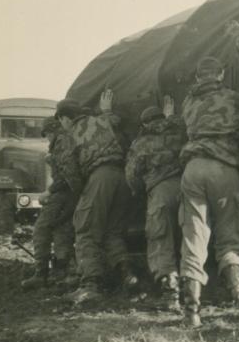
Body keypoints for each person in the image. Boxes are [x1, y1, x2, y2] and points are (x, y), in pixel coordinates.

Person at [179, 55, 239, 328]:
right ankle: (238, 292)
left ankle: (192, 311)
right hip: (223, 167)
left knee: (194, 236)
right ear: (220, 75)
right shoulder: (232, 96)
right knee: (228, 233)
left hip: (192, 168)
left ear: (197, 77)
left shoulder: (188, 102)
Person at [57, 92, 138, 304]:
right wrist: (106, 109)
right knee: (112, 232)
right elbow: (116, 123)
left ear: (65, 118)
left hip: (99, 178)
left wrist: (82, 193)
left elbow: (70, 169)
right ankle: (128, 276)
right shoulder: (102, 120)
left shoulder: (69, 134)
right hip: (122, 177)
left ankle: (90, 286)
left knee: (85, 230)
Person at [125, 98, 185, 312]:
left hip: (160, 192)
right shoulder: (180, 131)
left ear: (144, 124)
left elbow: (132, 176)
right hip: (189, 187)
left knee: (160, 239)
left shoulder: (142, 141)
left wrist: (141, 191)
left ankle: (170, 295)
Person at [21, 117, 80, 291]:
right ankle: (63, 276)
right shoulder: (68, 139)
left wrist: (49, 192)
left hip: (63, 193)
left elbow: (67, 174)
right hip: (72, 194)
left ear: (51, 131)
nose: (46, 139)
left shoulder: (61, 142)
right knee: (62, 230)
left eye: (46, 135)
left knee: (41, 229)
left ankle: (41, 275)